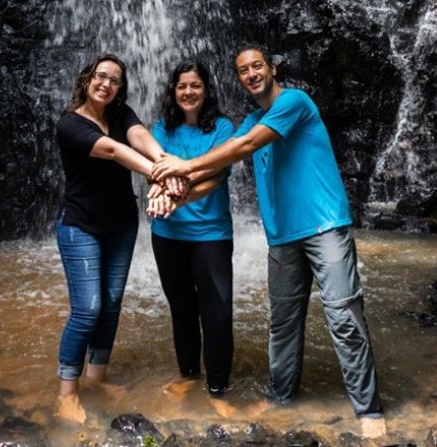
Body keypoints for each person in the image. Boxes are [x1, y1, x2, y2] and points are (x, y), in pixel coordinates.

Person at [151, 43, 386, 438]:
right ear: (239, 78)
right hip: (281, 236)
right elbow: (224, 158)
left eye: (257, 66)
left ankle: (369, 410)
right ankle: (280, 397)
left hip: (323, 226)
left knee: (343, 316)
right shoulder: (251, 118)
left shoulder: (293, 101)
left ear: (271, 68)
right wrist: (174, 194)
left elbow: (246, 145)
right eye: (243, 70)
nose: (251, 74)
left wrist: (185, 166)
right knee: (282, 322)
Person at [55, 53, 186, 423]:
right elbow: (114, 150)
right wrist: (161, 175)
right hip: (80, 226)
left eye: (114, 80)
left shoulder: (121, 113)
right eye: (101, 76)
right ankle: (67, 391)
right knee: (88, 308)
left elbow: (139, 136)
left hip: (121, 225)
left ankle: (96, 378)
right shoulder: (70, 125)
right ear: (87, 80)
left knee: (111, 303)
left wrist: (164, 160)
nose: (106, 84)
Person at [146, 61, 235, 397]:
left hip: (211, 235)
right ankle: (188, 376)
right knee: (182, 310)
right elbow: (153, 171)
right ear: (174, 91)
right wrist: (167, 178)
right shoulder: (161, 129)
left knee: (218, 312)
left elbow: (218, 171)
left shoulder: (223, 129)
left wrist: (177, 178)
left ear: (206, 90)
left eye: (195, 85)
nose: (188, 92)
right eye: (182, 86)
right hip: (168, 235)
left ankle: (218, 386)